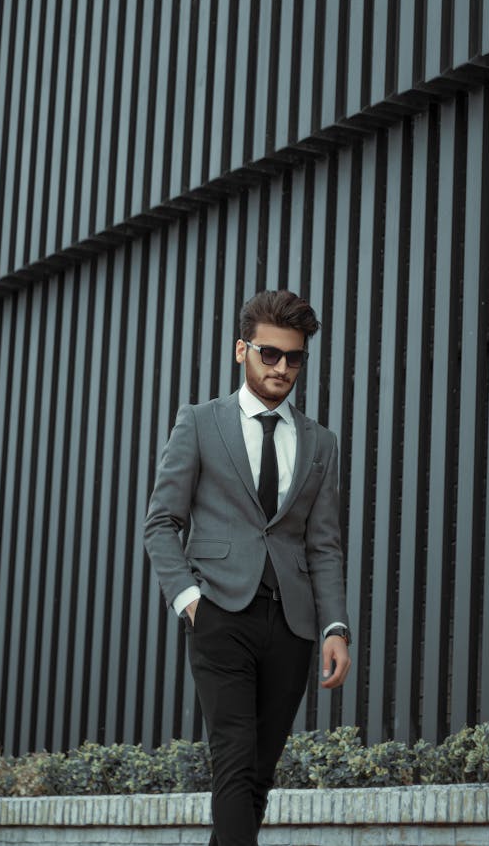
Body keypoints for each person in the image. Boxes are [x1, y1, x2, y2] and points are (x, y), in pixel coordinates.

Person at [144, 289, 351, 846]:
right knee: (234, 759)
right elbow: (161, 522)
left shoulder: (321, 443)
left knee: (257, 773)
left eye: (294, 358)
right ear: (242, 351)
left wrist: (335, 627)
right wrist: (190, 602)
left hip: (293, 626)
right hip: (220, 615)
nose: (282, 368)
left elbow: (324, 545)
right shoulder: (200, 423)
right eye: (270, 354)